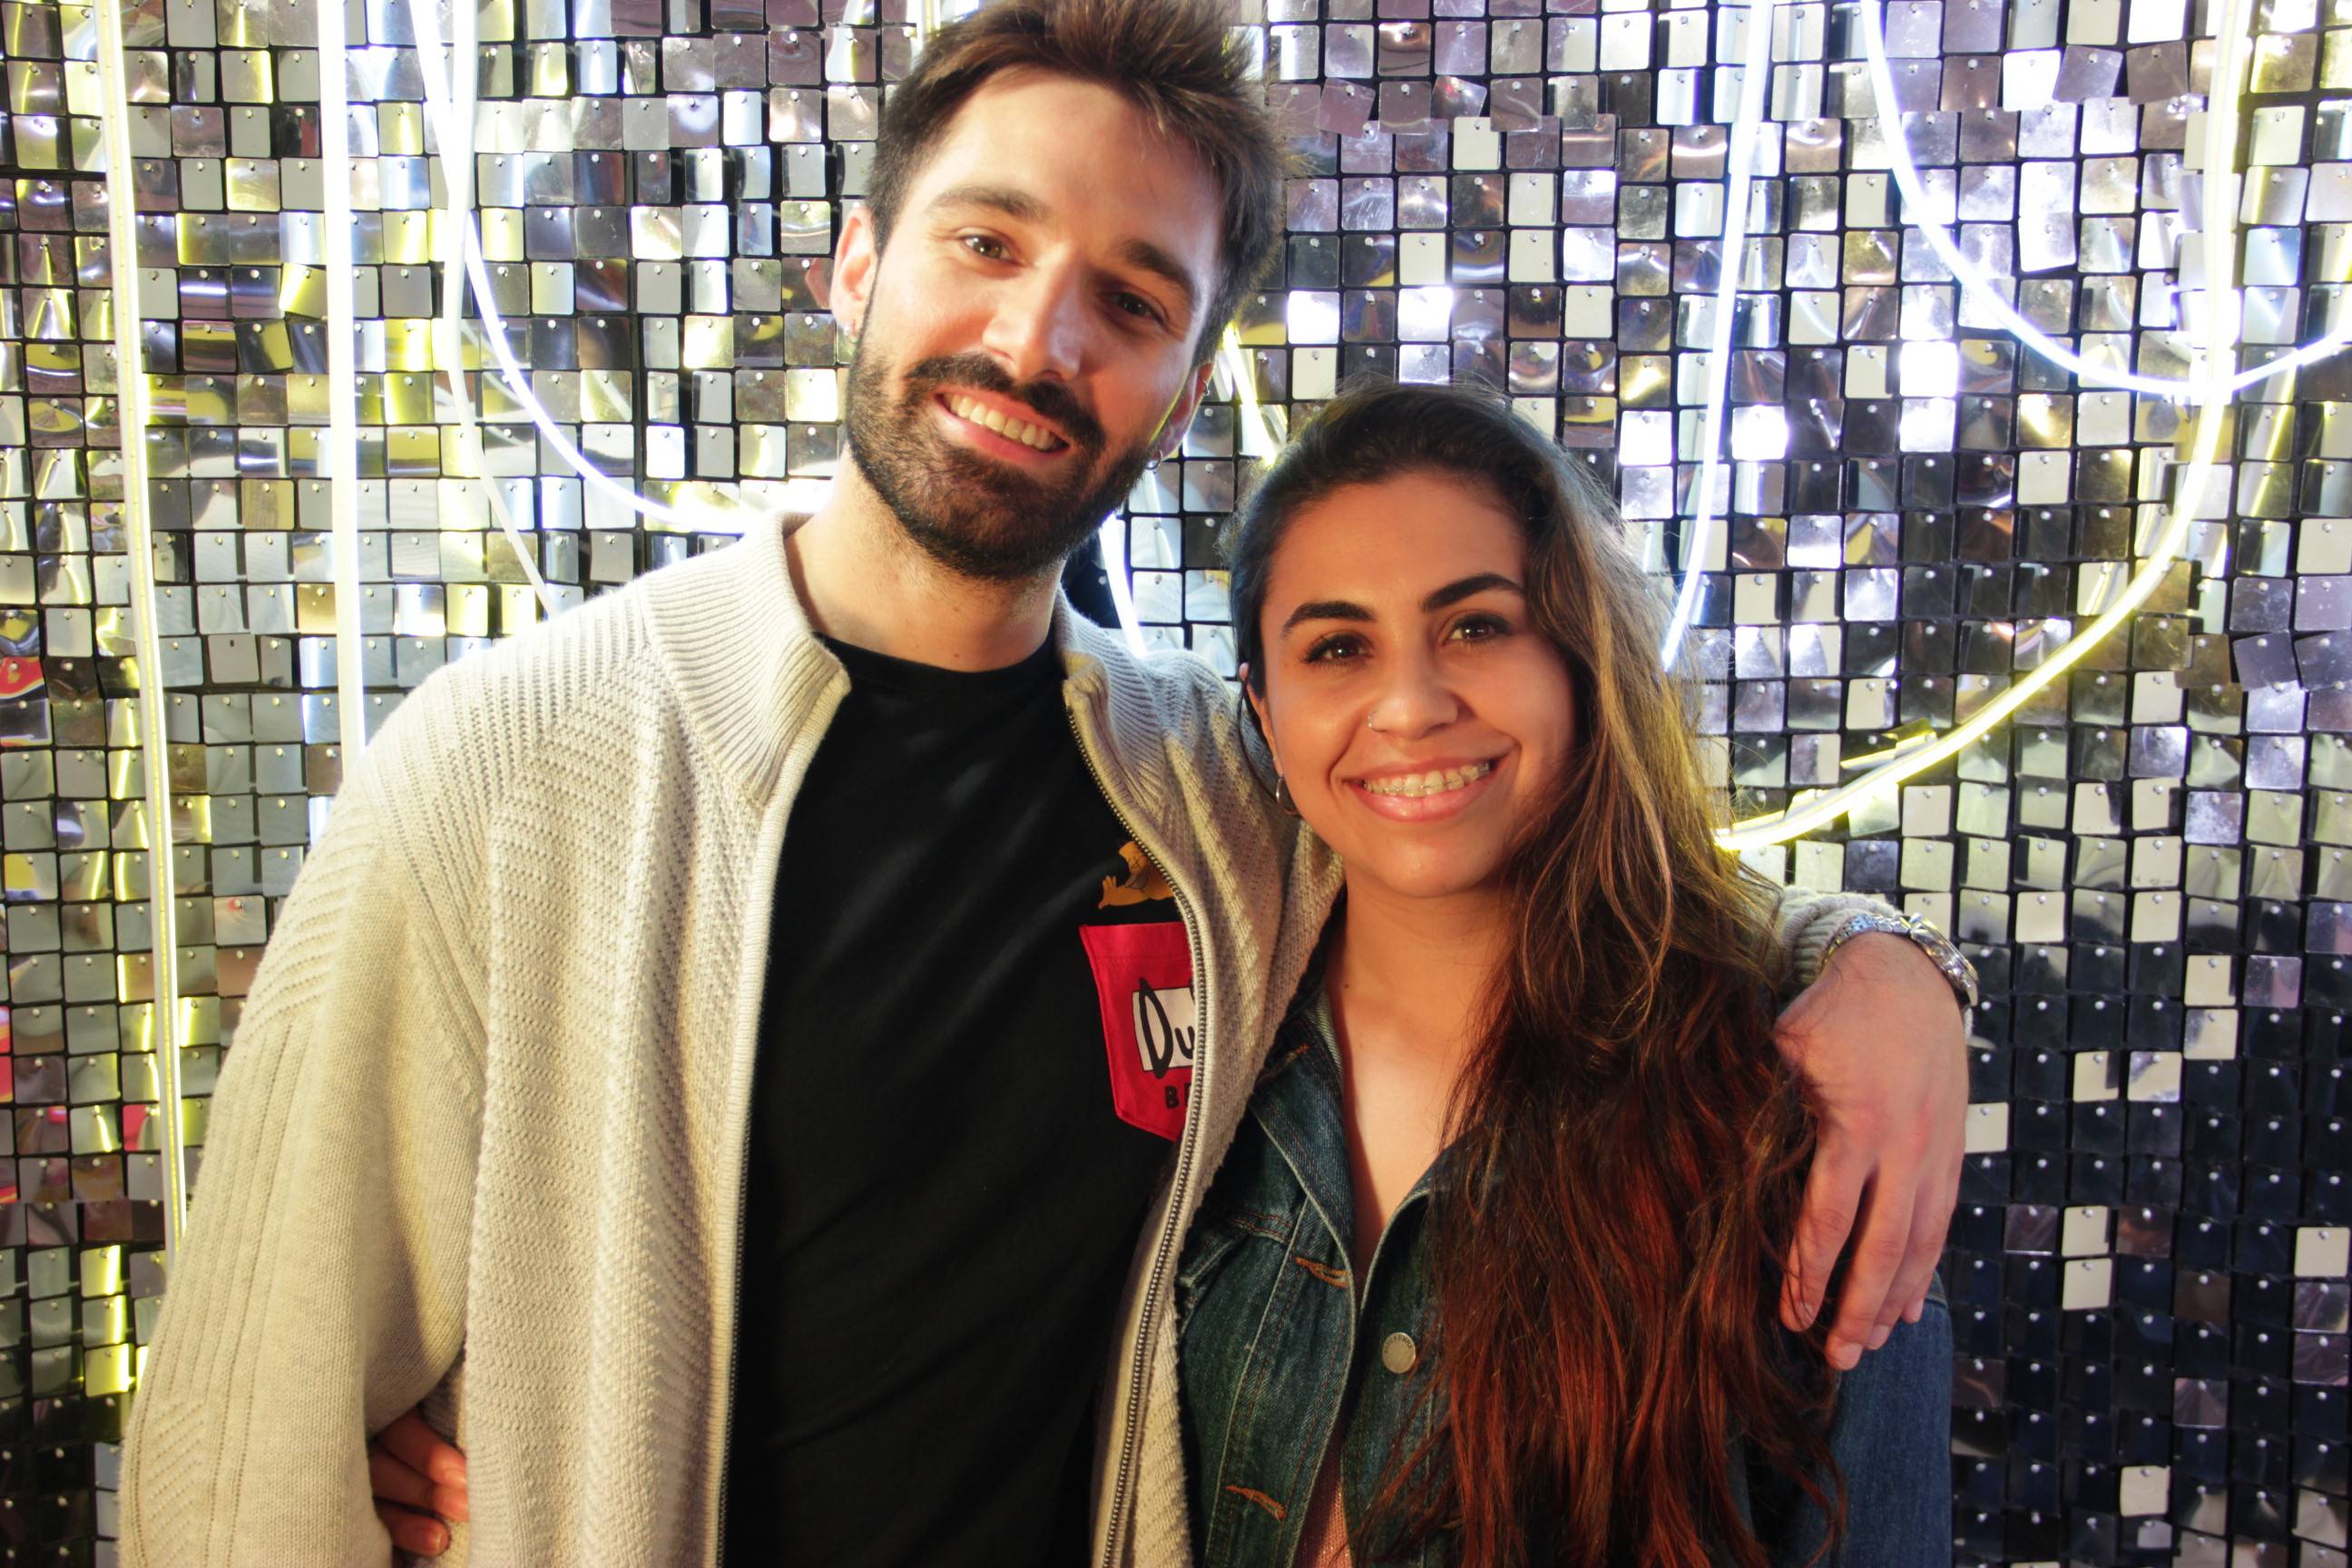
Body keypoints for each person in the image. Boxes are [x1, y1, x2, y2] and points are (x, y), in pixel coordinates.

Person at [120, 3, 1971, 1563]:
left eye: (1131, 298)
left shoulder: (1219, 787)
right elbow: (252, 1423)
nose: (1037, 342)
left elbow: (1539, 856)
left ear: (1184, 388)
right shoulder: (515, 765)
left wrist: (1883, 969)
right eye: (987, 245)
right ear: (859, 263)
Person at [1179, 381, 1951, 1568]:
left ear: (1581, 660)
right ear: (1264, 713)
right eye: (1337, 647)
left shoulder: (1803, 1123)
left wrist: (1895, 965)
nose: (1410, 706)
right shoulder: (1191, 1072)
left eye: (1476, 627)